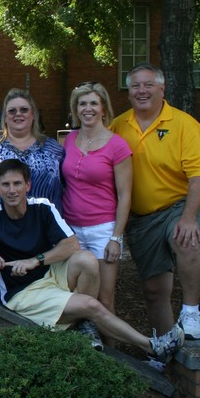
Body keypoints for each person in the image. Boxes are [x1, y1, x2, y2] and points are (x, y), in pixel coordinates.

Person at [0, 159, 184, 364]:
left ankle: (83, 325)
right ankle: (152, 346)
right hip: (22, 293)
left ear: (28, 185)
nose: (12, 190)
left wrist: (35, 260)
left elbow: (72, 245)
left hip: (49, 274)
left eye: (17, 183)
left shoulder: (42, 207)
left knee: (87, 259)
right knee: (91, 304)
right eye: (6, 185)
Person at [111, 63, 200, 340]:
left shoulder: (184, 124)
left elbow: (198, 176)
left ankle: (191, 312)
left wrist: (189, 217)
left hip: (180, 205)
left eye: (148, 85)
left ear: (162, 89)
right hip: (142, 218)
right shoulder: (118, 126)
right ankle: (164, 347)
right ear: (129, 92)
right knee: (154, 290)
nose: (142, 91)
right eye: (136, 86)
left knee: (186, 239)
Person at [61, 82, 132, 314]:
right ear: (76, 109)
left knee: (105, 298)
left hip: (103, 230)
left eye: (93, 103)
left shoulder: (117, 145)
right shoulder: (69, 140)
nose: (88, 108)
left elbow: (125, 195)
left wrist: (116, 238)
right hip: (71, 230)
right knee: (74, 294)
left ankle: (109, 339)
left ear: (103, 108)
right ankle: (83, 338)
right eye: (82, 104)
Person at [0, 88, 65, 213]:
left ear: (33, 115)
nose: (18, 114)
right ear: (4, 117)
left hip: (44, 222)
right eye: (12, 111)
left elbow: (68, 187)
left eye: (24, 110)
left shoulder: (53, 148)